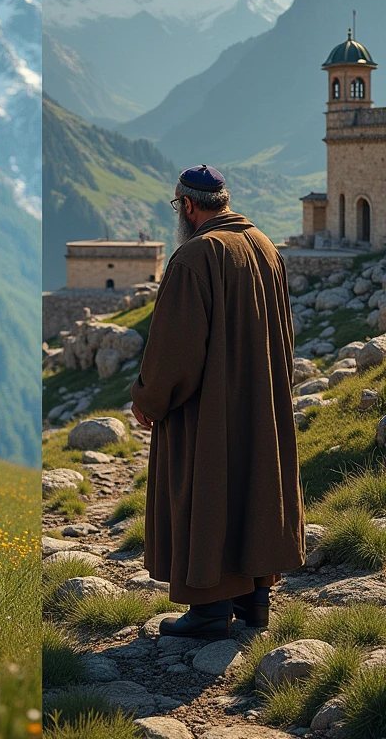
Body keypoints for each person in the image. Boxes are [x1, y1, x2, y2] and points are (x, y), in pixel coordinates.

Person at [130, 164, 305, 638]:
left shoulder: (195, 257)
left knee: (207, 490)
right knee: (253, 491)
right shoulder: (265, 246)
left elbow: (174, 349)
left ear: (187, 206)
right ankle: (254, 602)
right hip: (260, 400)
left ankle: (208, 610)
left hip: (209, 408)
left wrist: (149, 398)